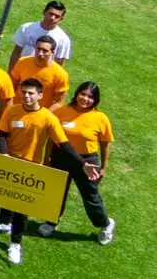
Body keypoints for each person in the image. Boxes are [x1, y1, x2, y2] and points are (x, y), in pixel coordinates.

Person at [0, 78, 101, 264]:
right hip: (9, 161)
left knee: (21, 206)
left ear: (40, 95)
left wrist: (82, 164)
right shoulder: (12, 110)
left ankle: (15, 243)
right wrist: (4, 154)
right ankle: (4, 224)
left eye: (31, 93)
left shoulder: (48, 117)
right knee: (4, 194)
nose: (27, 96)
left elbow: (65, 145)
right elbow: (3, 134)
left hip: (30, 167)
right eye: (24, 92)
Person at [45, 82, 115, 244]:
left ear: (95, 100)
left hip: (87, 161)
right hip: (61, 157)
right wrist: (47, 158)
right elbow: (51, 138)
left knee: (90, 196)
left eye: (90, 97)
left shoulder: (100, 118)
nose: (85, 99)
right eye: (83, 94)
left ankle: (105, 224)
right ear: (76, 94)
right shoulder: (61, 112)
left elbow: (105, 144)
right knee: (56, 192)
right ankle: (51, 222)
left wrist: (103, 167)